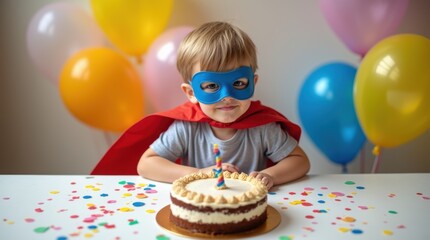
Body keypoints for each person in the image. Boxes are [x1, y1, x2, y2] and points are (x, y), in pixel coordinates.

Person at [136, 21, 310, 189]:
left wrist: (271, 175)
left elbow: (300, 161)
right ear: (191, 93)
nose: (227, 97)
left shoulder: (263, 128)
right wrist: (199, 173)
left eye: (239, 83)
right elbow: (146, 164)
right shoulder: (186, 128)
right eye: (211, 86)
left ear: (253, 83)